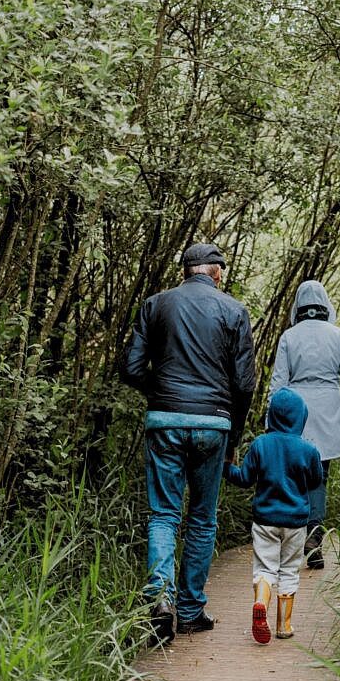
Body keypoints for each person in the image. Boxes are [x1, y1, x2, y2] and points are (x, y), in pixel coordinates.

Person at [119, 242, 256, 645]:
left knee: (163, 514)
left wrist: (160, 393)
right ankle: (191, 611)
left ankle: (160, 601)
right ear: (216, 272)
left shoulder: (155, 305)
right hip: (214, 424)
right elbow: (244, 384)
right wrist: (233, 433)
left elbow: (129, 367)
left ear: (186, 271)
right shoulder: (234, 311)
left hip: (164, 420)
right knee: (202, 517)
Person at [269, 280, 340, 569]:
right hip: (327, 412)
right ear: (326, 304)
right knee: (319, 476)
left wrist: (271, 421)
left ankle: (292, 541)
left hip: (294, 414)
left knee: (293, 477)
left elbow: (278, 383)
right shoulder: (338, 336)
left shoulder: (288, 337)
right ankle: (314, 536)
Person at [224, 388, 324, 643]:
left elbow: (244, 479)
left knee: (265, 568)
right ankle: (284, 626)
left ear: (272, 417)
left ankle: (261, 601)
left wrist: (225, 468)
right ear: (300, 418)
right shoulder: (308, 450)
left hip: (265, 521)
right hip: (295, 523)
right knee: (290, 570)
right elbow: (316, 481)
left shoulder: (260, 445)